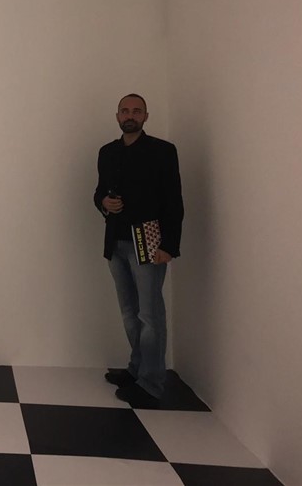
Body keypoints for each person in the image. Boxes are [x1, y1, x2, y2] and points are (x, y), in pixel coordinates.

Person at [93, 93, 184, 409]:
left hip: (148, 239)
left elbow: (173, 200)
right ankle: (136, 369)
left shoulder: (162, 151)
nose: (130, 115)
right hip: (115, 240)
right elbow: (99, 192)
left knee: (150, 314)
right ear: (117, 116)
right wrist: (104, 203)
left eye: (136, 111)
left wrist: (169, 246)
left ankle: (151, 382)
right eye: (125, 111)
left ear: (146, 116)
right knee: (130, 312)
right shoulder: (107, 152)